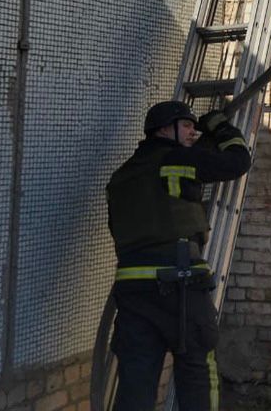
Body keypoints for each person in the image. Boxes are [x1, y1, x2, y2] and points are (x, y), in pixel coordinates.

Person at [105, 100, 252, 411]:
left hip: (132, 291)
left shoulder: (121, 178)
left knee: (135, 381)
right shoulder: (174, 160)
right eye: (186, 125)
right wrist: (220, 128)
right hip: (179, 286)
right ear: (163, 129)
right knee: (198, 368)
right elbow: (237, 162)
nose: (192, 132)